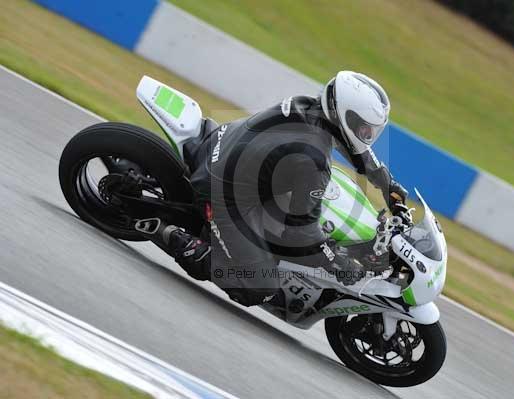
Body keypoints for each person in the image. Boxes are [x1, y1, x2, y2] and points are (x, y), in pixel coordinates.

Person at [148, 71, 407, 307]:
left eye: (370, 130)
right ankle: (175, 237)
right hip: (225, 194)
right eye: (363, 128)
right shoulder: (314, 158)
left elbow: (356, 150)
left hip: (229, 149)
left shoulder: (309, 106)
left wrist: (388, 185)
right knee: (259, 287)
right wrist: (338, 263)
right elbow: (301, 235)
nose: (366, 135)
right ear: (344, 115)